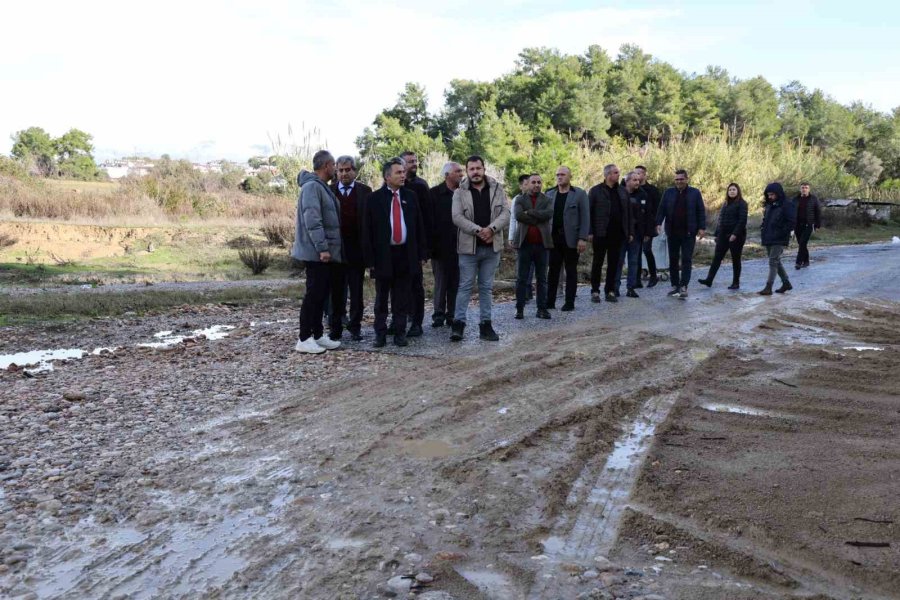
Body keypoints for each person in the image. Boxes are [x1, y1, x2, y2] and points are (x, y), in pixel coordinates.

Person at [363, 158, 427, 347]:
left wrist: (422, 253)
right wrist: (369, 259)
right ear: (387, 176)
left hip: (406, 255)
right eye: (398, 172)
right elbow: (367, 231)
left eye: (403, 172)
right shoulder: (374, 199)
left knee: (402, 297)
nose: (403, 175)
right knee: (382, 297)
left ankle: (400, 333)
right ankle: (380, 334)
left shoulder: (411, 196)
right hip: (383, 255)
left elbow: (418, 226)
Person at [450, 155, 510, 342]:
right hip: (469, 248)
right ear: (467, 171)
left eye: (478, 168)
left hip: (492, 248)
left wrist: (491, 229)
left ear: (484, 169)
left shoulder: (497, 188)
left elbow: (506, 213)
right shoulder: (459, 192)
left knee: (486, 288)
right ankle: (458, 325)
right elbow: (457, 217)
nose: (475, 172)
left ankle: (486, 326)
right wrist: (478, 230)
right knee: (465, 287)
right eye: (471, 169)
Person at [292, 150, 344, 354]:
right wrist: (322, 249)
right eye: (334, 166)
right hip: (316, 253)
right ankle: (304, 338)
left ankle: (317, 335)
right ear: (326, 166)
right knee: (313, 295)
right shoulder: (312, 187)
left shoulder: (321, 187)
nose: (336, 170)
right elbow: (313, 221)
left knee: (321, 294)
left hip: (323, 252)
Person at [329, 156, 372, 340]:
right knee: (336, 292)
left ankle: (355, 327)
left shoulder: (365, 191)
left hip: (357, 251)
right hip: (336, 251)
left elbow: (370, 223)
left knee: (356, 293)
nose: (344, 173)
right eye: (341, 170)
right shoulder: (329, 191)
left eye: (348, 170)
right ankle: (335, 328)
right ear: (336, 172)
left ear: (354, 171)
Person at [656, 169, 706, 299]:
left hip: (688, 232)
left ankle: (684, 285)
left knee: (686, 259)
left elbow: (700, 210)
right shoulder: (668, 193)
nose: (679, 181)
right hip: (672, 232)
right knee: (673, 259)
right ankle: (675, 285)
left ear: (686, 179)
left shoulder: (695, 193)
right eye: (677, 179)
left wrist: (702, 227)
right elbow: (661, 209)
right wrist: (658, 223)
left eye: (681, 179)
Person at [399, 151, 433, 338]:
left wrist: (425, 248)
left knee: (415, 285)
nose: (414, 164)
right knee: (398, 286)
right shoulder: (392, 186)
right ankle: (400, 319)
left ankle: (417, 322)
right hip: (396, 245)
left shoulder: (420, 186)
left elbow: (427, 218)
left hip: (415, 245)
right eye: (410, 161)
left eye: (415, 161)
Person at [546, 166, 589, 311]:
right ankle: (549, 301)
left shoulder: (579, 194)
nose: (559, 177)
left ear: (570, 176)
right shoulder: (550, 194)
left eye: (563, 174)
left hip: (571, 239)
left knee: (571, 271)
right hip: (553, 239)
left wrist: (582, 238)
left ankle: (569, 302)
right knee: (553, 271)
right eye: (557, 174)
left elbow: (585, 217)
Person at [512, 173, 553, 320]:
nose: (536, 185)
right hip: (525, 245)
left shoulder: (547, 199)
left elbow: (548, 214)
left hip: (542, 245)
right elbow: (518, 216)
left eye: (539, 182)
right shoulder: (520, 199)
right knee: (521, 278)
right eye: (533, 182)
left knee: (542, 278)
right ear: (528, 184)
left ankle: (542, 309)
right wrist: (538, 217)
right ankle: (520, 309)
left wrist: (529, 212)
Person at [588, 164, 631, 303]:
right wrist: (589, 232)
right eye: (616, 172)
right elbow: (589, 213)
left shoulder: (623, 191)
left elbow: (628, 213)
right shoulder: (595, 191)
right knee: (598, 262)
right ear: (607, 175)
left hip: (617, 233)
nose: (619, 175)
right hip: (600, 232)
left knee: (614, 263)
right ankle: (595, 291)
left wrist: (629, 231)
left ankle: (610, 290)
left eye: (618, 172)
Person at [430, 162, 464, 328]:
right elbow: (429, 221)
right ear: (447, 175)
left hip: (460, 246)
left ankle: (452, 314)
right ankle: (438, 314)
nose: (461, 174)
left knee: (455, 282)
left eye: (461, 171)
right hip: (439, 247)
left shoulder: (465, 193)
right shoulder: (434, 193)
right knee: (441, 282)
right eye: (457, 171)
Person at [698, 183, 748, 290]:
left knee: (736, 259)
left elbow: (742, 220)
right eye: (730, 190)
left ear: (738, 191)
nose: (732, 191)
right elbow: (720, 220)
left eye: (734, 189)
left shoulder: (742, 204)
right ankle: (709, 280)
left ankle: (736, 283)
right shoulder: (725, 204)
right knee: (717, 258)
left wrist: (734, 234)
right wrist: (717, 235)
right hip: (723, 235)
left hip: (737, 237)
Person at [758, 182, 796, 296]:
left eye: (772, 195)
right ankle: (786, 283)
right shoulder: (769, 205)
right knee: (775, 261)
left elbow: (791, 222)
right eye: (768, 195)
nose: (770, 197)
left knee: (773, 261)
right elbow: (766, 220)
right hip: (768, 236)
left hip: (779, 238)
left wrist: (782, 232)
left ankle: (768, 287)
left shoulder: (787, 205)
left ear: (778, 193)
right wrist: (763, 228)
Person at [614, 171, 642, 298]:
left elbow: (647, 215)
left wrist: (647, 232)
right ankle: (615, 288)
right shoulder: (618, 193)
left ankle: (631, 287)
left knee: (633, 261)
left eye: (638, 180)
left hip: (636, 234)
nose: (637, 182)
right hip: (621, 233)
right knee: (618, 261)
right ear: (627, 181)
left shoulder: (643, 194)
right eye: (634, 180)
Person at [508, 174, 534, 300]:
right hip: (521, 236)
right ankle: (522, 292)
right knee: (522, 265)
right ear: (521, 186)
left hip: (535, 236)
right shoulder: (516, 200)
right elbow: (513, 219)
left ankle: (529, 291)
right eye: (526, 184)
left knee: (534, 265)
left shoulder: (539, 198)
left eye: (531, 183)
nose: (529, 186)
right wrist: (511, 237)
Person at [634, 165, 660, 287]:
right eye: (635, 173)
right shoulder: (632, 189)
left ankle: (653, 276)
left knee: (646, 249)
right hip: (635, 227)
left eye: (639, 173)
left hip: (648, 226)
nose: (637, 175)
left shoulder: (652, 190)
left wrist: (655, 226)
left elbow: (656, 210)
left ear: (645, 174)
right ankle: (637, 279)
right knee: (636, 252)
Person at [793, 182, 822, 269]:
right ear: (800, 189)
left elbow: (818, 212)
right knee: (801, 244)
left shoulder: (813, 199)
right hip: (797, 225)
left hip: (808, 224)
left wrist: (817, 224)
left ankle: (798, 262)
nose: (804, 189)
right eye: (802, 187)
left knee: (802, 243)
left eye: (806, 187)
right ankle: (806, 261)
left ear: (809, 189)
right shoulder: (795, 199)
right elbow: (791, 212)